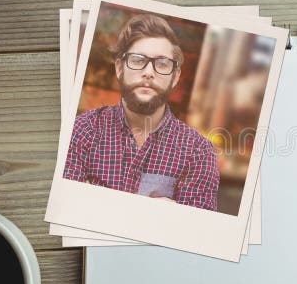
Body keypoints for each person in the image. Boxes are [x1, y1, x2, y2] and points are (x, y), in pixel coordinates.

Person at [63, 14, 219, 211]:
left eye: (162, 63)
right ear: (119, 67)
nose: (148, 72)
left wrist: (97, 202)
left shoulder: (198, 152)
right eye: (137, 60)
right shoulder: (82, 130)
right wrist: (154, 212)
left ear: (175, 76)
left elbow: (194, 235)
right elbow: (66, 213)